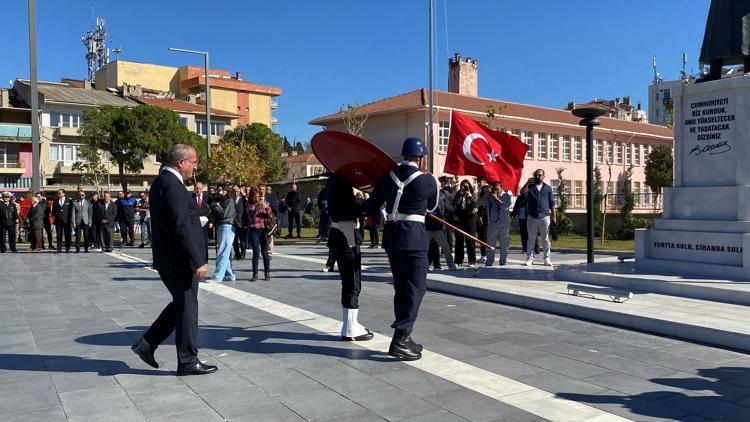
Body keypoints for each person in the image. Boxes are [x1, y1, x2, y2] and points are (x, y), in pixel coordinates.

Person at [131, 144, 217, 376]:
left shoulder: (161, 183)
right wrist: (198, 260)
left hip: (169, 258)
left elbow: (179, 221)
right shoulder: (173, 185)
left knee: (181, 304)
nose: (195, 166)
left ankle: (146, 344)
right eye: (193, 161)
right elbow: (181, 226)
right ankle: (188, 361)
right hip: (179, 260)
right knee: (188, 308)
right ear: (181, 162)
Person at [368, 137, 437, 361]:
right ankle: (401, 337)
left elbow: (373, 205)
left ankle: (403, 336)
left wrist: (381, 213)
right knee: (416, 287)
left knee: (401, 286)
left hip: (392, 237)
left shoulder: (387, 178)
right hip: (414, 238)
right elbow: (433, 206)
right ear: (421, 157)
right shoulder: (427, 180)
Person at [324, 174, 374, 342]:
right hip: (347, 234)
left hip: (338, 233)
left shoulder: (332, 183)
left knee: (348, 280)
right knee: (353, 280)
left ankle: (349, 324)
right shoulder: (340, 183)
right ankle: (350, 328)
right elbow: (356, 205)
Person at [524, 169, 556, 266]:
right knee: (531, 239)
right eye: (536, 175)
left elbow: (552, 203)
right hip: (532, 216)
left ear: (543, 176)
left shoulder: (548, 188)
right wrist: (527, 183)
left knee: (545, 238)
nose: (538, 177)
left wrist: (554, 216)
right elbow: (522, 192)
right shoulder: (530, 187)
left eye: (540, 175)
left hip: (544, 216)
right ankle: (530, 258)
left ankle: (547, 259)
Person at [244, 187, 272, 281]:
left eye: (258, 196)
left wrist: (266, 208)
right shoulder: (249, 205)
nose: (257, 198)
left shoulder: (265, 203)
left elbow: (270, 215)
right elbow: (250, 217)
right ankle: (255, 274)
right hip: (254, 230)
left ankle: (267, 273)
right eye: (255, 196)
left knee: (265, 252)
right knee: (256, 252)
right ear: (252, 196)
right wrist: (256, 209)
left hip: (263, 230)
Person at [209, 187, 236, 282]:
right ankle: (229, 274)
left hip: (227, 226)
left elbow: (224, 214)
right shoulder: (222, 201)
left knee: (223, 251)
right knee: (226, 252)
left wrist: (217, 206)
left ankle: (218, 276)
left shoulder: (230, 201)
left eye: (223, 190)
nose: (221, 192)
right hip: (221, 226)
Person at [484, 182, 511, 266]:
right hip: (492, 224)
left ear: (501, 188)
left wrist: (496, 198)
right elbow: (480, 203)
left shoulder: (506, 196)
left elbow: (504, 206)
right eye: (494, 189)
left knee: (504, 244)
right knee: (490, 244)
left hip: (503, 224)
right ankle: (489, 261)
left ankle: (503, 261)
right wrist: (485, 193)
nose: (496, 191)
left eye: (497, 189)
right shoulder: (490, 196)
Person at [453, 179, 478, 266]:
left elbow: (475, 205)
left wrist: (469, 196)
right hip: (460, 218)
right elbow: (454, 205)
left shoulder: (473, 194)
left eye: (466, 186)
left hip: (470, 217)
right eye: (463, 186)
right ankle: (458, 260)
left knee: (470, 240)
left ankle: (472, 260)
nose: (464, 187)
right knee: (459, 240)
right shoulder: (458, 194)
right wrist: (460, 194)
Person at [511, 178, 539, 256]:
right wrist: (512, 215)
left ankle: (536, 249)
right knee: (523, 233)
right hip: (522, 216)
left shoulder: (534, 195)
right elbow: (516, 207)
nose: (527, 190)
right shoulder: (521, 197)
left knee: (532, 233)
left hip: (531, 216)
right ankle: (525, 248)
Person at [52, 189, 73, 254]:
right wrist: (57, 215)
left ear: (63, 193)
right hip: (58, 221)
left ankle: (67, 248)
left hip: (66, 221)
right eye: (58, 193)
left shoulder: (69, 201)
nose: (59, 194)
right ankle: (59, 249)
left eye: (60, 193)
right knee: (59, 235)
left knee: (67, 235)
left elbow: (71, 210)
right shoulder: (55, 201)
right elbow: (53, 211)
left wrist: (70, 218)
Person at [193, 182, 210, 259]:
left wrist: (211, 221)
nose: (198, 190)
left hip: (205, 223)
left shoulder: (208, 198)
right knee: (195, 243)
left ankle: (205, 259)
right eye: (197, 188)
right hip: (195, 223)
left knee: (204, 243)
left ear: (202, 188)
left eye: (200, 188)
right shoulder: (191, 197)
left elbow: (211, 211)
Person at [231, 186, 247, 260]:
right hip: (233, 223)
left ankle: (243, 254)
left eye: (237, 191)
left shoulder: (243, 199)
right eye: (234, 191)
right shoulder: (231, 200)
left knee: (242, 240)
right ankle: (237, 254)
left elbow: (247, 202)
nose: (235, 193)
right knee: (234, 241)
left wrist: (243, 193)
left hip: (241, 223)